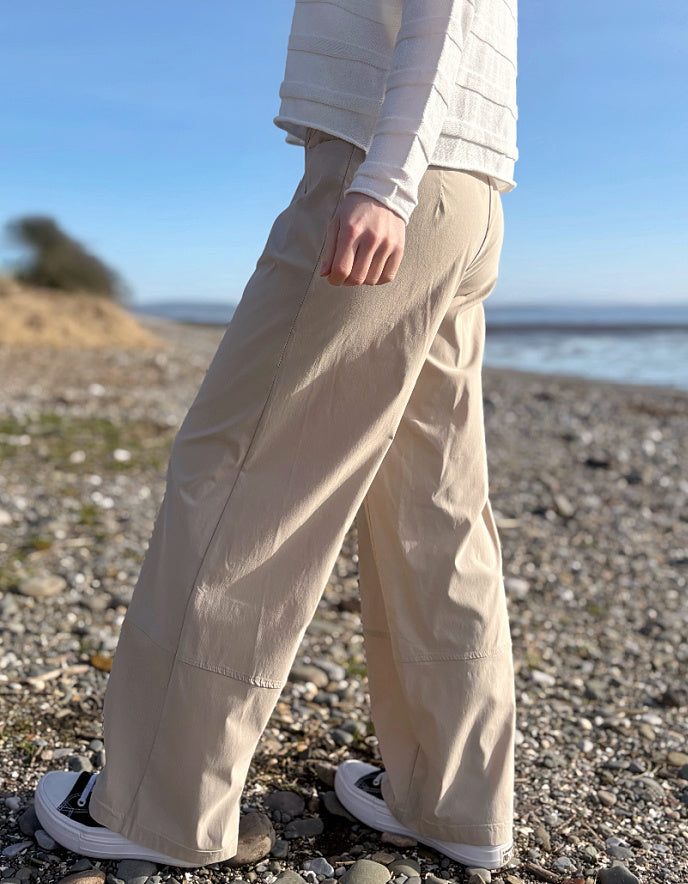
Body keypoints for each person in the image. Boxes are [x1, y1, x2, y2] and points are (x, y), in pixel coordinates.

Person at [34, 0, 519, 872]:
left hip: (388, 174)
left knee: (235, 478)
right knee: (433, 508)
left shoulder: (384, 176)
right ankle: (455, 802)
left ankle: (156, 806)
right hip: (470, 193)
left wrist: (383, 182)